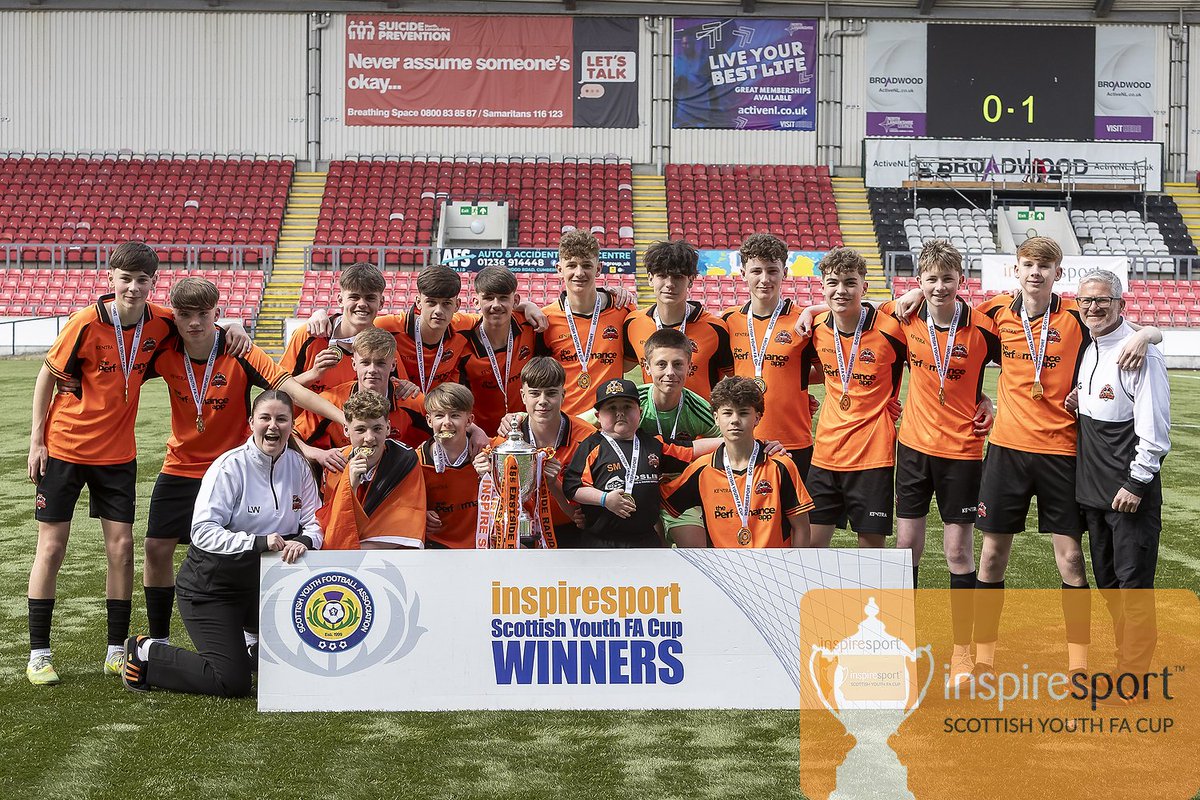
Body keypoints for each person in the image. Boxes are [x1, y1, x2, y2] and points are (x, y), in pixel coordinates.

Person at [890, 236, 1163, 678]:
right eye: (1028, 264)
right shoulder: (996, 314)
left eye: (1045, 265)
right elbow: (951, 324)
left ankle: (1078, 666)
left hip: (1062, 454)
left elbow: (1129, 332)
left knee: (1071, 560)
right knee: (992, 556)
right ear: (1016, 270)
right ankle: (982, 659)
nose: (1035, 272)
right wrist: (915, 292)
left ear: (1058, 273)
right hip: (1006, 452)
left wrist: (1151, 333)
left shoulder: (1077, 316)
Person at [140, 277, 345, 647]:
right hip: (181, 464)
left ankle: (252, 633)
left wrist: (345, 419)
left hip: (234, 468)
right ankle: (159, 639)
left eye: (204, 314)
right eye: (185, 315)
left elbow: (287, 389)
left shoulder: (239, 348)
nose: (195, 324)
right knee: (156, 548)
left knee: (249, 544)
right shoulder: (165, 347)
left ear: (217, 312)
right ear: (175, 316)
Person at [25, 242, 177, 685]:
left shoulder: (161, 322)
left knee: (123, 549)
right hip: (65, 449)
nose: (132, 287)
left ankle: (115, 650)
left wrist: (235, 331)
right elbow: (46, 376)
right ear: (109, 279)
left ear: (153, 283)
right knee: (51, 548)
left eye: (142, 280)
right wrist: (37, 440)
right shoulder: (85, 322)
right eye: (124, 278)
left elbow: (200, 327)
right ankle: (39, 653)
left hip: (117, 456)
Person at [122, 390, 322, 697]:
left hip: (262, 588)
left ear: (292, 424)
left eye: (281, 419)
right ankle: (147, 652)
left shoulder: (298, 466)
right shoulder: (229, 467)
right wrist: (257, 542)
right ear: (251, 422)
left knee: (298, 664)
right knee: (231, 681)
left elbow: (314, 522)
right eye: (265, 418)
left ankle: (252, 641)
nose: (273, 426)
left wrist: (306, 540)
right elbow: (202, 532)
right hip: (212, 588)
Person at [881, 241, 1000, 685]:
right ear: (920, 282)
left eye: (947, 279)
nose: (939, 287)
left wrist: (985, 398)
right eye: (930, 279)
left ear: (960, 281)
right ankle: (901, 647)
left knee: (956, 551)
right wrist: (902, 298)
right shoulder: (905, 317)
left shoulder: (985, 329)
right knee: (905, 547)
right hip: (912, 447)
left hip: (963, 452)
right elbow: (846, 307)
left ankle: (962, 652)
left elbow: (1027, 367)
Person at [1074, 270, 1170, 677]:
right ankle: (1124, 666)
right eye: (1087, 301)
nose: (1093, 308)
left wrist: (1136, 482)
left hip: (1129, 494)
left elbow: (1155, 429)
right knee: (1110, 587)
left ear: (1120, 304)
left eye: (1103, 301)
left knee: (1133, 590)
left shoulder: (1139, 351)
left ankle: (1132, 677)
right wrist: (1077, 400)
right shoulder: (1090, 345)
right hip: (1095, 493)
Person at [802, 247, 906, 549]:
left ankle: (869, 600)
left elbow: (931, 363)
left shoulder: (892, 330)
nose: (841, 290)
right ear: (822, 287)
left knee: (871, 551)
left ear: (864, 286)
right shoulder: (814, 330)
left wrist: (978, 396)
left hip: (873, 456)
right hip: (826, 455)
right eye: (833, 282)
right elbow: (801, 373)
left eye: (850, 282)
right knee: (809, 547)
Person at [583, 328, 720, 546]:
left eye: (678, 364)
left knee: (696, 551)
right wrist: (525, 417)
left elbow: (730, 439)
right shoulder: (632, 402)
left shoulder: (698, 408)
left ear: (690, 366)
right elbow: (579, 423)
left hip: (679, 486)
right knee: (651, 550)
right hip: (637, 486)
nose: (670, 372)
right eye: (661, 364)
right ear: (646, 366)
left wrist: (762, 444)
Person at [664, 377, 813, 548]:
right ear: (716, 418)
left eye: (743, 413)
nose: (735, 420)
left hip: (773, 569)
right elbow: (663, 503)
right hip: (724, 570)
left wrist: (793, 571)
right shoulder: (701, 469)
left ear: (757, 418)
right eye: (727, 413)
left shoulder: (780, 465)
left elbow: (801, 528)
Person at [721, 234, 816, 479]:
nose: (765, 279)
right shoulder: (728, 321)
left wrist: (795, 384)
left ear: (784, 272)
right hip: (742, 440)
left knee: (794, 516)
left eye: (772, 270)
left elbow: (828, 372)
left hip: (793, 440)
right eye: (756, 271)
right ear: (743, 273)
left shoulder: (803, 321)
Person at [562, 379, 698, 548]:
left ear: (639, 412)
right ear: (598, 416)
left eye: (627, 406)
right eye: (611, 408)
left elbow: (691, 449)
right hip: (601, 542)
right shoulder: (591, 446)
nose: (620, 413)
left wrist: (730, 442)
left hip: (645, 539)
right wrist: (604, 499)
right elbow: (572, 488)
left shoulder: (652, 443)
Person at [484, 357, 595, 548]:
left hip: (572, 531)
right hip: (518, 532)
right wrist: (483, 469)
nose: (542, 401)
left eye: (551, 393)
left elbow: (586, 510)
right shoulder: (506, 442)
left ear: (563, 394)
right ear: (523, 396)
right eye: (534, 393)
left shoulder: (587, 439)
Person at [295, 327, 427, 462]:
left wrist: (418, 457)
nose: (372, 370)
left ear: (393, 365)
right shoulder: (331, 401)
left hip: (393, 477)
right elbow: (291, 435)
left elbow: (444, 429)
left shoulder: (411, 400)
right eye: (365, 362)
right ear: (354, 364)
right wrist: (318, 455)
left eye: (380, 363)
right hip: (343, 474)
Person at [319, 390, 427, 550]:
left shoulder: (404, 459)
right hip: (345, 557)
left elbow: (404, 529)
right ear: (346, 430)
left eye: (377, 429)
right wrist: (351, 485)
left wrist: (354, 550)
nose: (369, 438)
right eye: (360, 430)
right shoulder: (335, 463)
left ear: (388, 428)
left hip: (390, 558)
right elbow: (333, 527)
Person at [623, 239, 733, 396]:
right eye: (662, 275)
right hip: (654, 420)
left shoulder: (716, 329)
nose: (669, 284)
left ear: (691, 280)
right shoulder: (633, 324)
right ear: (650, 278)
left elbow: (736, 377)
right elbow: (618, 367)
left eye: (678, 277)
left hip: (702, 419)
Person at [540, 230, 631, 416]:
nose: (579, 273)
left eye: (587, 265)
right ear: (559, 269)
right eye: (572, 265)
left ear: (598, 269)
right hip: (564, 422)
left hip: (608, 423)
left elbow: (630, 361)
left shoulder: (623, 310)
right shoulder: (545, 320)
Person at [458, 266, 539, 436]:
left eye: (503, 298)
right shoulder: (462, 342)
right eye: (488, 298)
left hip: (526, 433)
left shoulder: (531, 327)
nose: (496, 305)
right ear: (475, 302)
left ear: (515, 300)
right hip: (480, 437)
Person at [418, 383, 482, 549]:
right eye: (439, 416)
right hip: (436, 550)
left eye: (455, 415)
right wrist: (418, 514)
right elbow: (403, 508)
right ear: (429, 420)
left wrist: (497, 477)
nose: (447, 422)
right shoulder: (416, 462)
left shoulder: (490, 452)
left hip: (484, 548)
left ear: (469, 420)